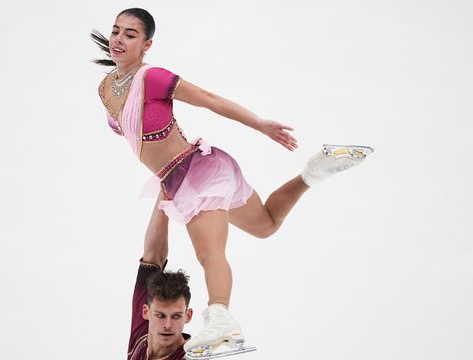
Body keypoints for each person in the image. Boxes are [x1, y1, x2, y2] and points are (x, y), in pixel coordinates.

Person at [92, 7, 373, 357]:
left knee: (209, 252)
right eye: (116, 31)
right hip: (188, 175)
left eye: (130, 34)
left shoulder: (153, 78)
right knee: (266, 225)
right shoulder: (105, 89)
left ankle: (221, 320)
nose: (118, 39)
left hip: (196, 173)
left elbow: (209, 100)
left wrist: (260, 124)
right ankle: (314, 172)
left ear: (146, 44)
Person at [128, 196, 192, 360]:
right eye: (160, 315)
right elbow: (153, 255)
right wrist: (165, 195)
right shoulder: (144, 333)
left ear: (188, 316)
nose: (167, 325)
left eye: (176, 316)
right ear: (146, 312)